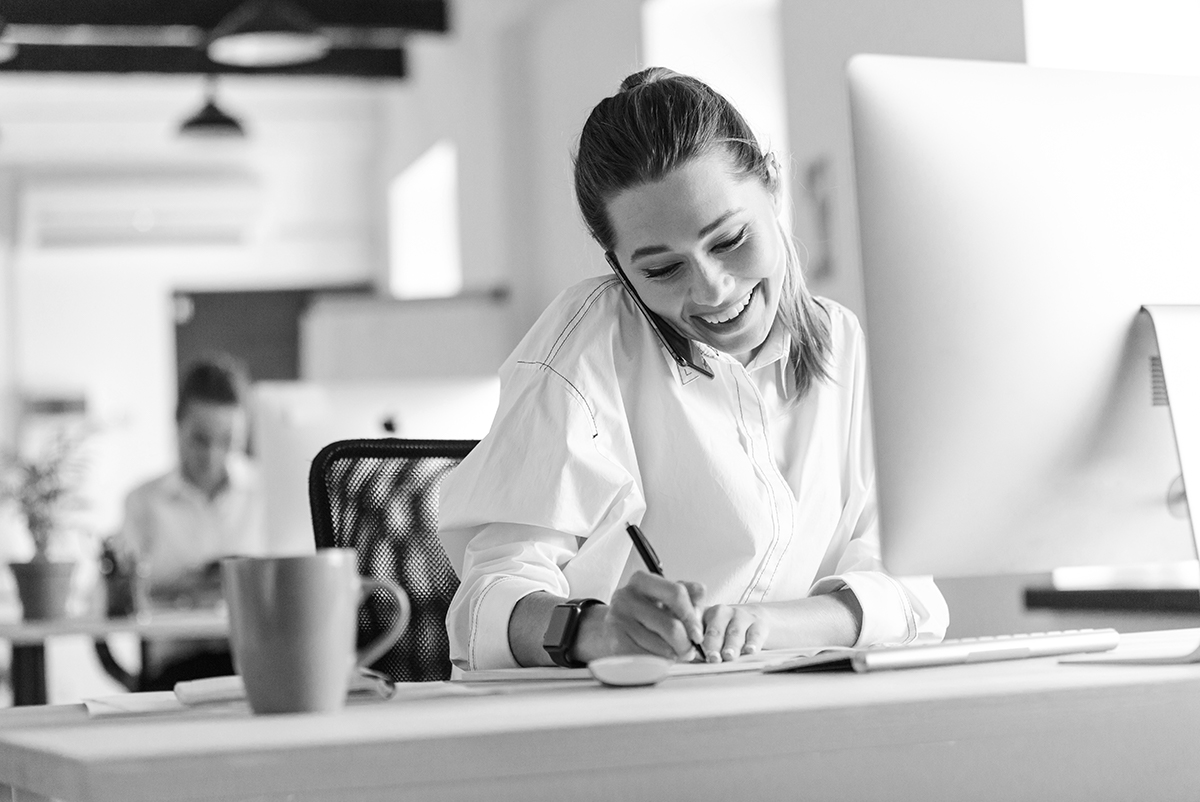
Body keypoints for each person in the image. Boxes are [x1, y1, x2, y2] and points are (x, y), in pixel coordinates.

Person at [437, 68, 948, 672]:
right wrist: (596, 631)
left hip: (789, 707)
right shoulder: (585, 348)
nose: (711, 288)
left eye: (729, 240)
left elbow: (909, 594)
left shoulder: (840, 343)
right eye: (661, 269)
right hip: (614, 725)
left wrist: (763, 626)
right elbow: (484, 608)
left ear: (773, 187)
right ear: (619, 265)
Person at [116, 355, 266, 687]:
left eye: (228, 441)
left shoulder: (266, 495)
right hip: (176, 670)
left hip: (256, 662)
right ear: (177, 424)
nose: (213, 455)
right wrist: (188, 587)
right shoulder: (143, 501)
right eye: (200, 439)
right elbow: (123, 597)